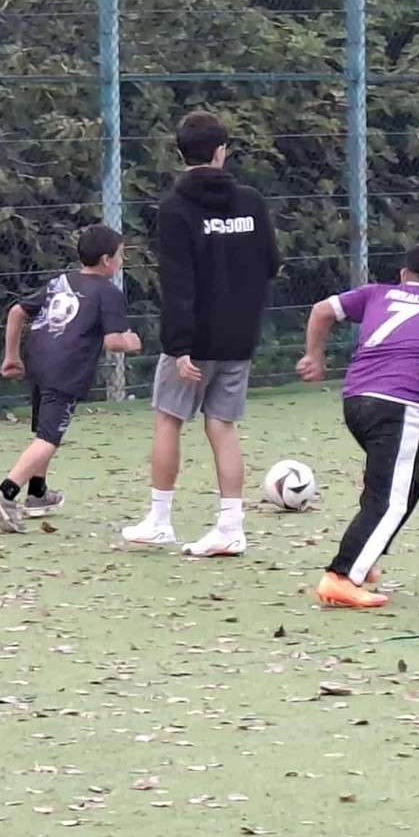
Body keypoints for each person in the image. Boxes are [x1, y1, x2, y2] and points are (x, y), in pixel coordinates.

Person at [122, 110, 281, 557]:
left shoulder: (174, 209)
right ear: (221, 151)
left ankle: (160, 521)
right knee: (222, 426)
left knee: (168, 419)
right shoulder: (252, 202)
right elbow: (271, 264)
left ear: (180, 154)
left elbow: (178, 283)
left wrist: (179, 347)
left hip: (193, 343)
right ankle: (231, 527)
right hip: (240, 338)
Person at [297, 240, 419, 610]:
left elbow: (321, 310)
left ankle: (364, 556)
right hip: (398, 407)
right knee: (390, 499)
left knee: (407, 487)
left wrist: (314, 356)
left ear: (403, 275)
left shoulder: (376, 293)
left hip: (356, 402)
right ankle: (341, 577)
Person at [0, 224, 143, 532]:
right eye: (121, 255)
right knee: (48, 439)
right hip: (67, 371)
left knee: (45, 432)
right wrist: (132, 341)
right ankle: (5, 494)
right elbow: (113, 342)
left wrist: (12, 356)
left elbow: (17, 312)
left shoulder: (60, 282)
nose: (122, 261)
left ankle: (38, 493)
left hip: (39, 363)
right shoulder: (109, 293)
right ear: (107, 259)